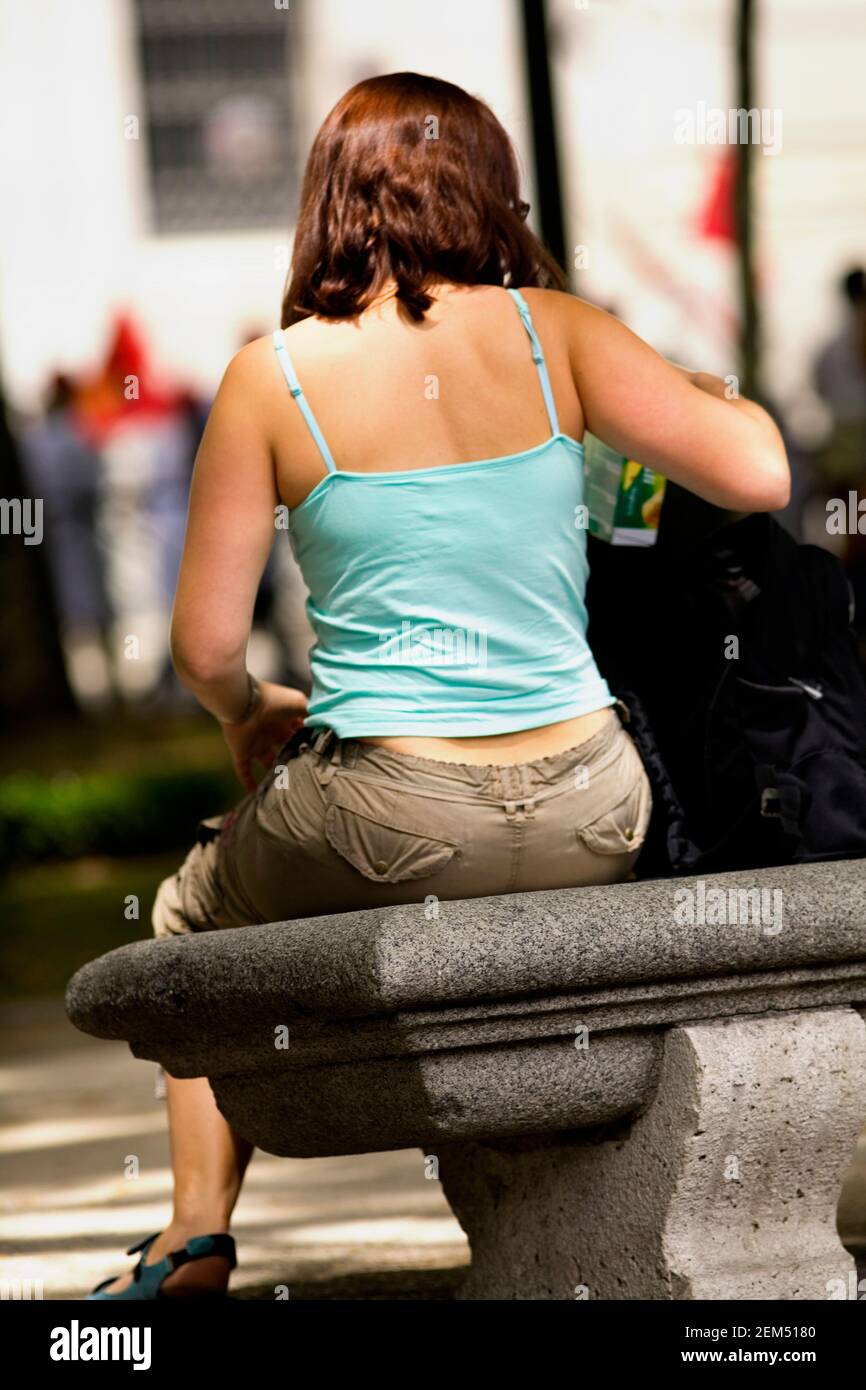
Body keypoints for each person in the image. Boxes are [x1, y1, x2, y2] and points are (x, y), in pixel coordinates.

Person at [87, 72, 790, 1300]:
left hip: (385, 813)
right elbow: (762, 475)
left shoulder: (273, 376)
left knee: (193, 913)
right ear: (486, 190)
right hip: (590, 804)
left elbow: (204, 647)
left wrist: (248, 713)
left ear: (327, 202)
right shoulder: (555, 330)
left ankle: (192, 1235)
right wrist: (678, 380)